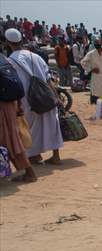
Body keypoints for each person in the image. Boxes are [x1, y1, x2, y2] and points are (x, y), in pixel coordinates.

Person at [6, 28, 63, 166]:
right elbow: (48, 78)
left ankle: (34, 156)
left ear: (7, 43)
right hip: (45, 94)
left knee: (29, 128)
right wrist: (56, 97)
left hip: (27, 99)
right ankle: (55, 156)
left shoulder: (10, 61)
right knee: (51, 124)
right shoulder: (35, 56)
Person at [0, 53, 36, 182]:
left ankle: (30, 172)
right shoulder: (3, 58)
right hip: (11, 102)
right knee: (10, 138)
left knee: (10, 139)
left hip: (3, 105)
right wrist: (19, 104)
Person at [80, 38, 102, 105]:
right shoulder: (91, 54)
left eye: (99, 44)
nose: (98, 47)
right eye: (96, 45)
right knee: (97, 94)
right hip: (96, 77)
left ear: (101, 44)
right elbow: (83, 62)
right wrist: (91, 69)